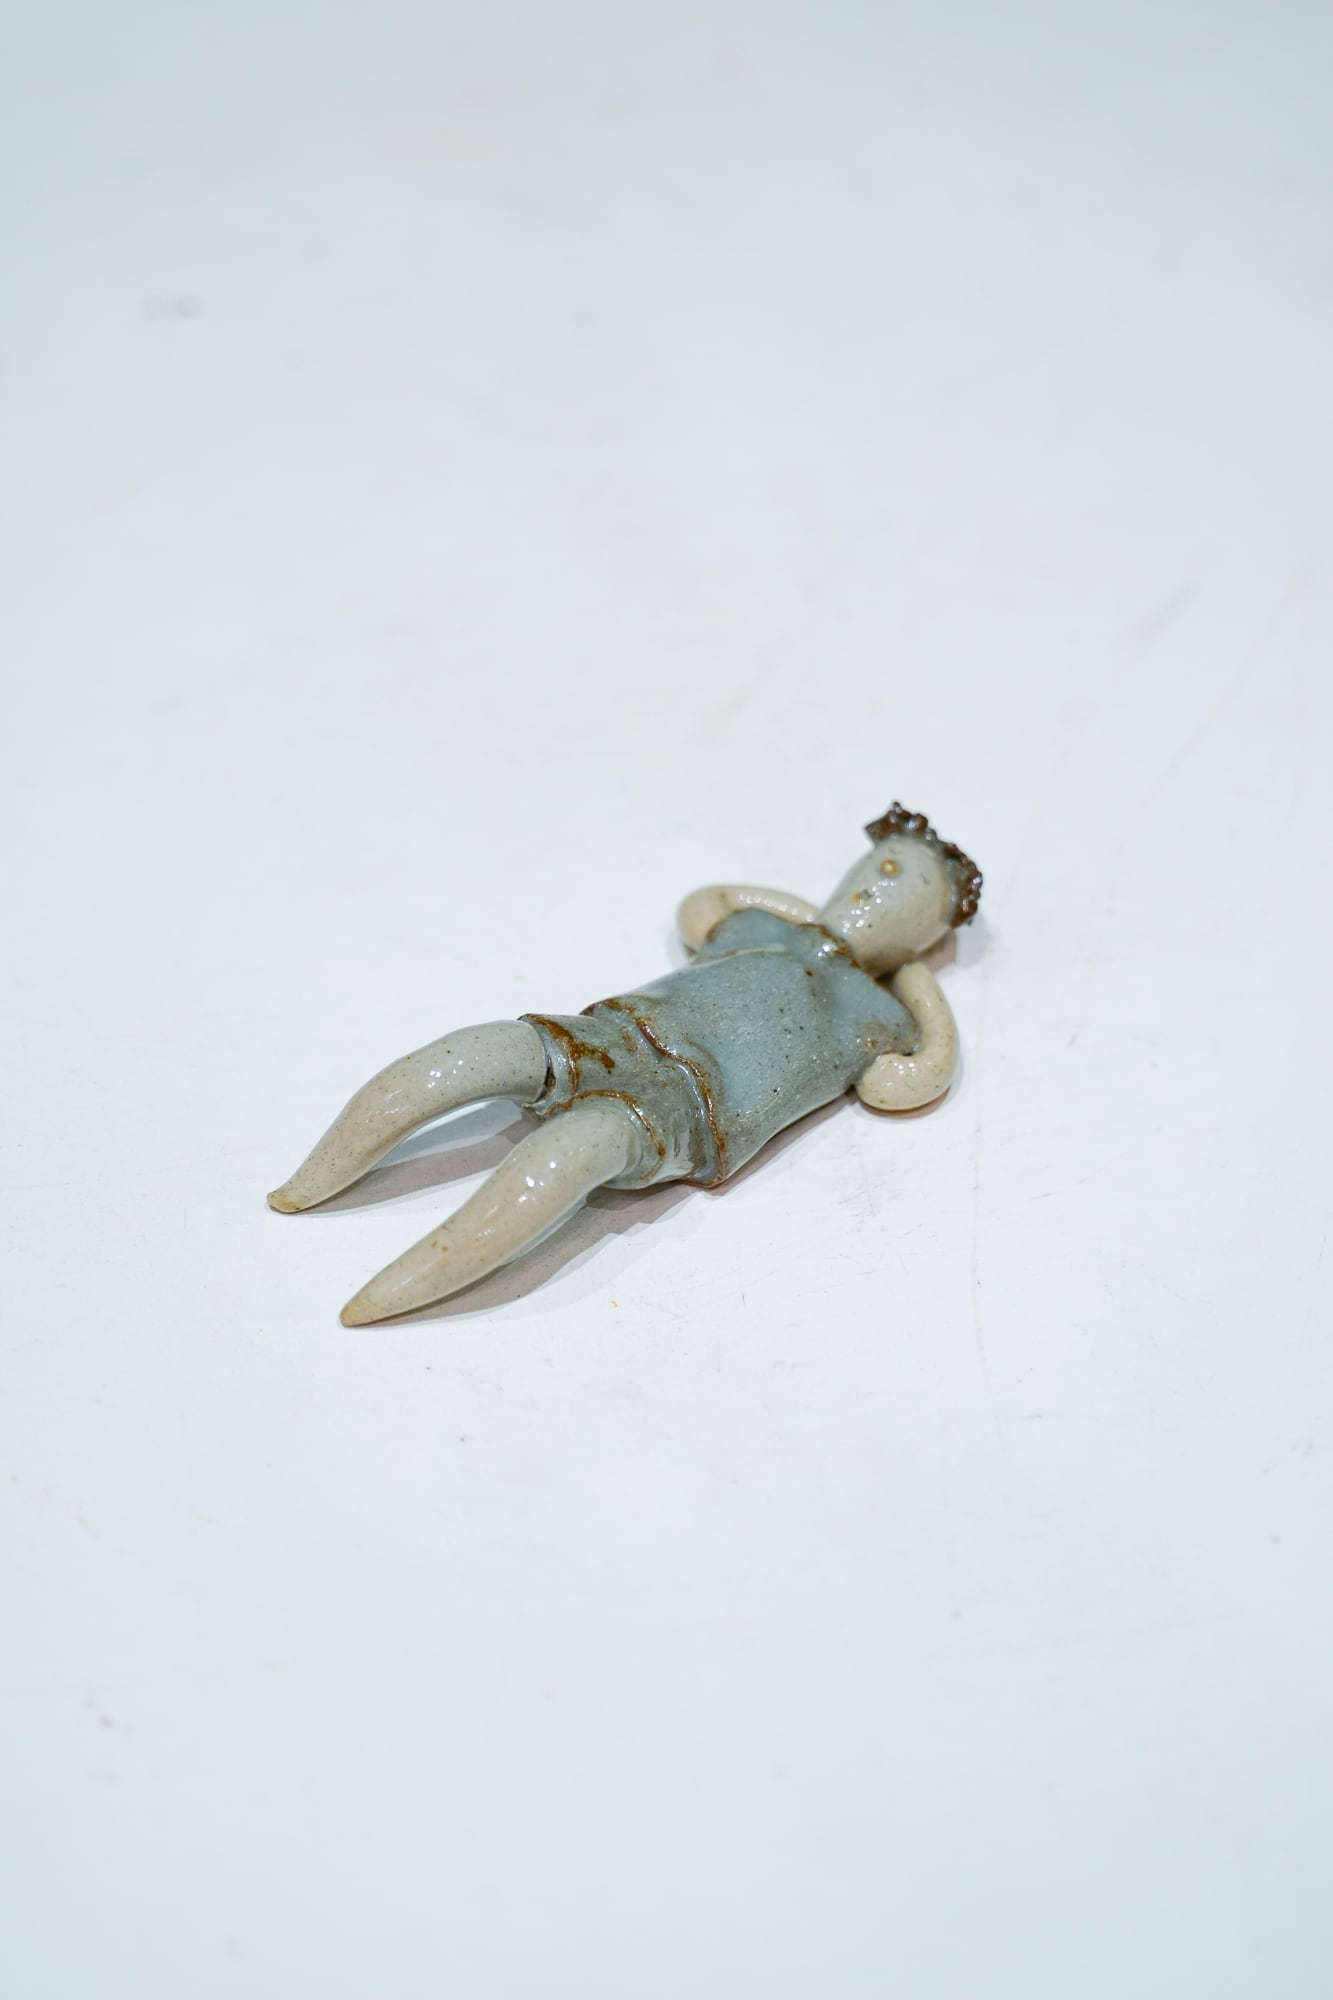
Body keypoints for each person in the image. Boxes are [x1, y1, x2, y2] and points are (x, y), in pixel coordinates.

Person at [268, 804, 982, 1323]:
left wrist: (914, 979)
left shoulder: (879, 1018)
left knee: (573, 1152)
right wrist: (799, 910)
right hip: (615, 1030)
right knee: (478, 1053)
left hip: (693, 1106)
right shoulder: (765, 925)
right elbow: (700, 907)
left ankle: (398, 1290)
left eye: (914, 901)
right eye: (882, 869)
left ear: (929, 936)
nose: (879, 895)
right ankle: (312, 1180)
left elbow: (905, 1082)